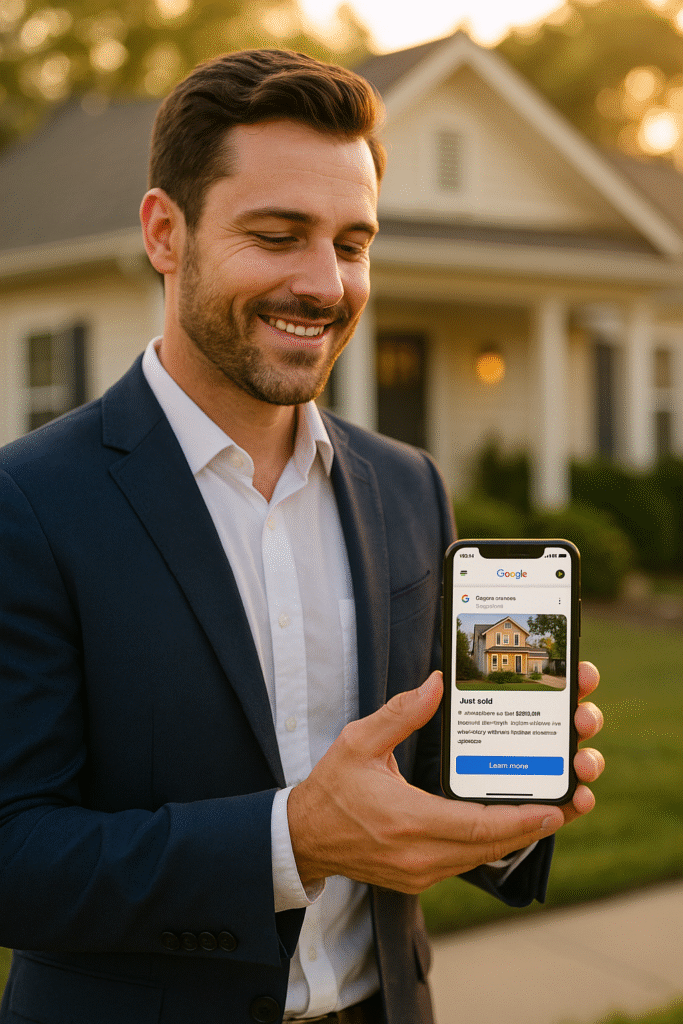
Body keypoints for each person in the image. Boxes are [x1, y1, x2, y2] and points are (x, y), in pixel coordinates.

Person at [0, 49, 604, 1024]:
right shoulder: (26, 503)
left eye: (352, 243)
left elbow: (401, 796)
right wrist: (292, 841)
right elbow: (13, 854)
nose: (324, 285)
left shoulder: (408, 486)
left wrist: (502, 819)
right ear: (166, 233)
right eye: (278, 235)